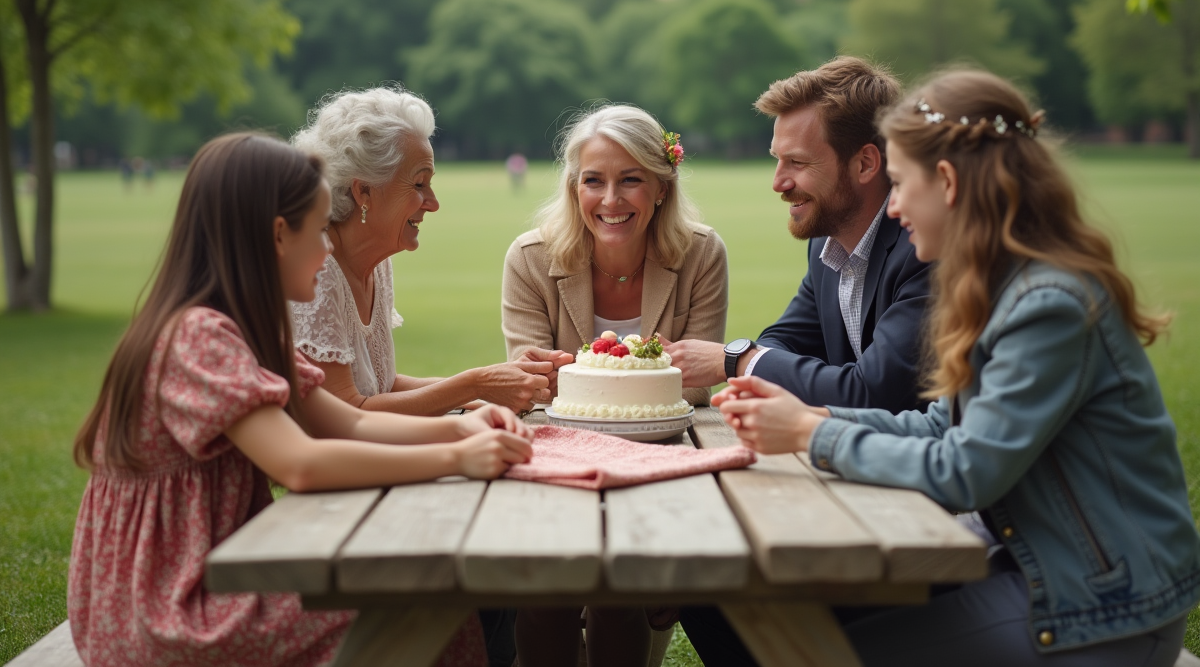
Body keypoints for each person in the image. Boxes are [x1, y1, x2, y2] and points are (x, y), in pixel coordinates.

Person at [689, 70, 1200, 666]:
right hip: (1032, 562)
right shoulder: (1000, 286)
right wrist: (820, 413)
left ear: (949, 183)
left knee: (803, 651)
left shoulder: (1048, 305)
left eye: (902, 184)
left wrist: (810, 432)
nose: (896, 206)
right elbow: (941, 426)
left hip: (1104, 605)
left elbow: (967, 470)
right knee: (739, 604)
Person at [68, 133, 534, 667]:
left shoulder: (251, 331)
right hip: (169, 610)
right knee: (416, 605)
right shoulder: (199, 335)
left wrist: (462, 428)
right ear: (277, 236)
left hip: (219, 574)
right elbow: (302, 463)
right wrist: (455, 457)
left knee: (427, 597)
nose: (329, 246)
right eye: (318, 230)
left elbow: (349, 425)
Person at [502, 105, 728, 667]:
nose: (611, 200)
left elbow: (700, 382)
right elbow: (529, 383)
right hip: (559, 457)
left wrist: (582, 376)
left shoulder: (702, 253)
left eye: (631, 180)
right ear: (573, 186)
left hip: (661, 454)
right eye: (593, 181)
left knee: (620, 594)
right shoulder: (530, 259)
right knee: (545, 598)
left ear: (661, 186)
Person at [664, 56, 931, 414]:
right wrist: (751, 366)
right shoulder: (829, 242)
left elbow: (870, 392)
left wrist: (736, 362)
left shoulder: (925, 249)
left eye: (799, 162)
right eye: (776, 158)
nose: (778, 183)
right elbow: (787, 339)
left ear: (865, 164)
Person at [290, 87, 569, 417]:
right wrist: (476, 384)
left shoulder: (376, 265)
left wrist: (495, 388)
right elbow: (348, 412)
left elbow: (383, 386)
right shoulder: (316, 270)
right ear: (363, 191)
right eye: (419, 184)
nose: (434, 204)